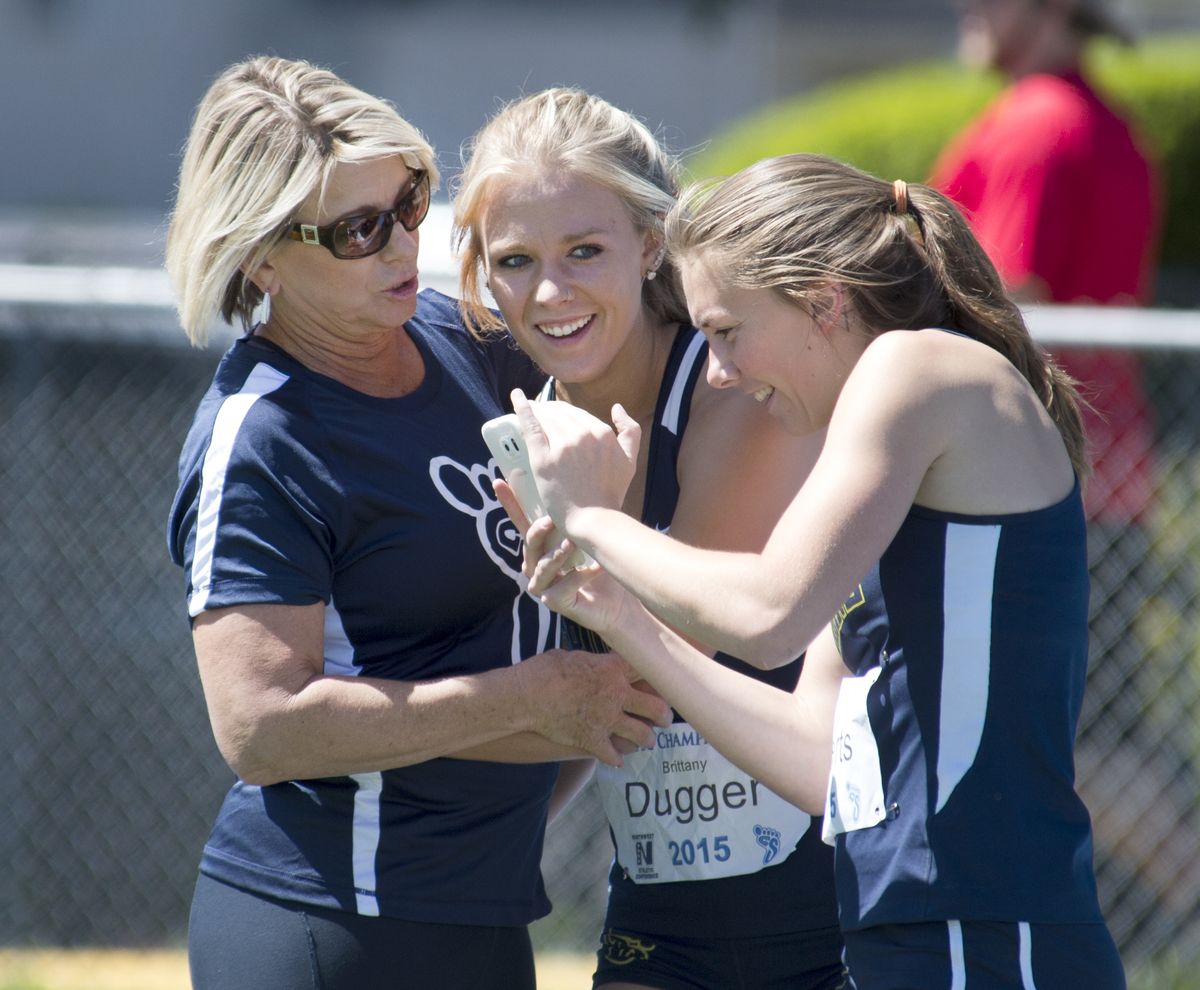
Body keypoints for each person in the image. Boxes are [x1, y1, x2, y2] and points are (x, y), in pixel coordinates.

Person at [508, 154, 1127, 989]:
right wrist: (611, 607)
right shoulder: (876, 442)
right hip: (903, 925)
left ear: (824, 302)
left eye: (727, 331)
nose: (718, 369)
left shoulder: (917, 367)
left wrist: (591, 519)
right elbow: (818, 765)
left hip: (982, 924)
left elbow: (769, 615)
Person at [163, 56, 669, 990]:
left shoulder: (464, 339)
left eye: (408, 201)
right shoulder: (264, 432)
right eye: (357, 229)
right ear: (259, 254)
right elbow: (260, 727)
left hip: (482, 912)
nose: (402, 244)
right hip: (329, 923)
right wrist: (535, 699)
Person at [453, 88, 844, 990]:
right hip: (659, 909)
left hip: (828, 905)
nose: (551, 292)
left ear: (650, 244)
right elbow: (576, 712)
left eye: (584, 251)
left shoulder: (735, 396)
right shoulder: (524, 431)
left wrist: (592, 520)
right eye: (515, 260)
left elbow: (661, 663)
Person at [931, 0, 1186, 921]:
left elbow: (1004, 303)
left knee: (1076, 738)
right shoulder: (1110, 127)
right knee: (1093, 732)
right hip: (1106, 472)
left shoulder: (1037, 124)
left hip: (1040, 478)